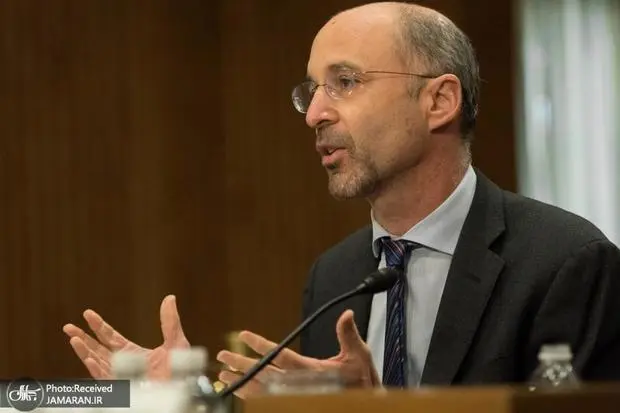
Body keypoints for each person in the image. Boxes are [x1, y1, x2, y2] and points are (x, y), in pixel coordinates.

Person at [63, 1, 620, 398]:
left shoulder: (565, 264)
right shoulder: (336, 276)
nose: (314, 114)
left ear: (439, 101)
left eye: (346, 82)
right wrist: (193, 401)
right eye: (311, 91)